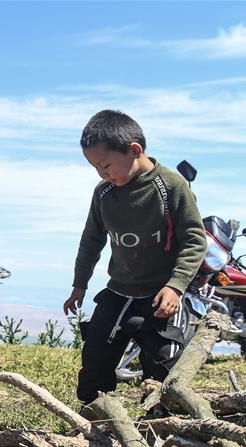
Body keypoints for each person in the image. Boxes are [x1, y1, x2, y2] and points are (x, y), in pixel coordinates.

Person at [63, 110, 207, 406]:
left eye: (105, 165)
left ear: (134, 150)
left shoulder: (171, 186)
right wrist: (80, 284)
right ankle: (96, 417)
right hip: (118, 292)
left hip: (161, 295)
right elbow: (91, 241)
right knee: (94, 364)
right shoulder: (104, 193)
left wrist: (176, 286)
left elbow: (195, 239)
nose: (101, 174)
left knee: (163, 372)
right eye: (94, 167)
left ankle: (163, 424)